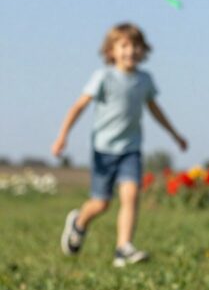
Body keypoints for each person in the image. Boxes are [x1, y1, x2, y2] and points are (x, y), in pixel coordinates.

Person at [53, 23, 187, 266]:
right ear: (111, 50)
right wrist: (63, 135)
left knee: (131, 194)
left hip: (130, 149)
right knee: (101, 203)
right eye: (124, 45)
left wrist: (175, 135)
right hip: (103, 149)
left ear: (143, 50)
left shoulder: (145, 80)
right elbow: (79, 106)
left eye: (136, 46)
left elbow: (155, 110)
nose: (131, 51)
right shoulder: (103, 77)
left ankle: (123, 248)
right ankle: (79, 222)